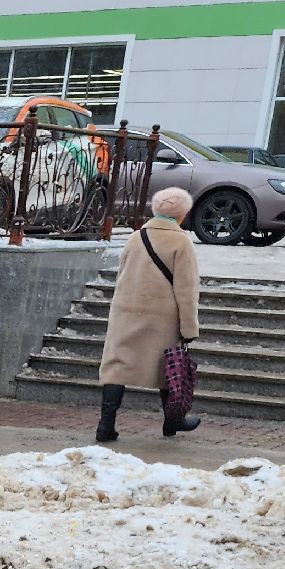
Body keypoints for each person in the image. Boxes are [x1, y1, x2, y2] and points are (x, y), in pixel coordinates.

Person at [96, 186, 201, 442]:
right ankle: (173, 421)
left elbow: (122, 275)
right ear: (182, 214)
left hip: (126, 312)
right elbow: (186, 289)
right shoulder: (181, 242)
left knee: (116, 367)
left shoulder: (135, 237)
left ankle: (105, 425)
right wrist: (189, 328)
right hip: (162, 317)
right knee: (169, 368)